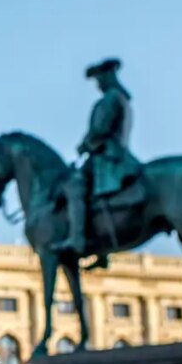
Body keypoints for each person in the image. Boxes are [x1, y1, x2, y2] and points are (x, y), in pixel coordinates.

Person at [51, 58, 140, 255]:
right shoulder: (122, 99)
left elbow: (99, 129)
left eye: (99, 80)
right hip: (114, 154)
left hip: (108, 158)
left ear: (107, 77)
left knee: (74, 187)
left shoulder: (110, 99)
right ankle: (100, 251)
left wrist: (84, 145)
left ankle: (77, 238)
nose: (98, 85)